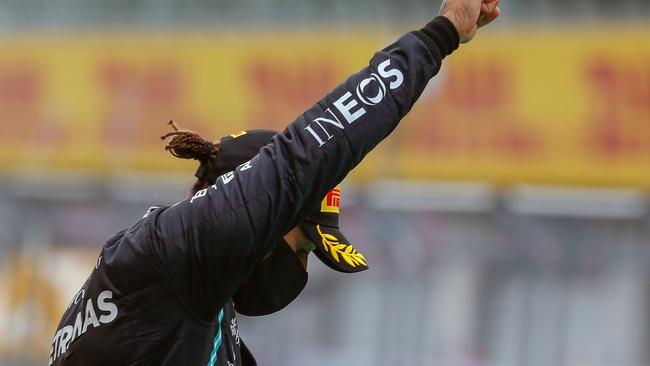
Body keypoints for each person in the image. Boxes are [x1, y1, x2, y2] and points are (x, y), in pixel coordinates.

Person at [49, 0, 501, 364]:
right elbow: (307, 153)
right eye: (304, 248)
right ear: (257, 212)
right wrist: (438, 37)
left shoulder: (192, 299)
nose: (301, 269)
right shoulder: (169, 251)